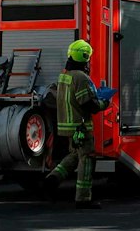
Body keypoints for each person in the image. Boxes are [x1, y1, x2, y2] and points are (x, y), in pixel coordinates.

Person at [45, 39, 111, 209]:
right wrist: (104, 102)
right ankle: (83, 198)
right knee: (87, 159)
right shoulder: (81, 78)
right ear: (84, 58)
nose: (89, 62)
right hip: (81, 127)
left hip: (67, 126)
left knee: (75, 156)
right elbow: (88, 104)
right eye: (88, 58)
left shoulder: (64, 76)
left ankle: (53, 179)